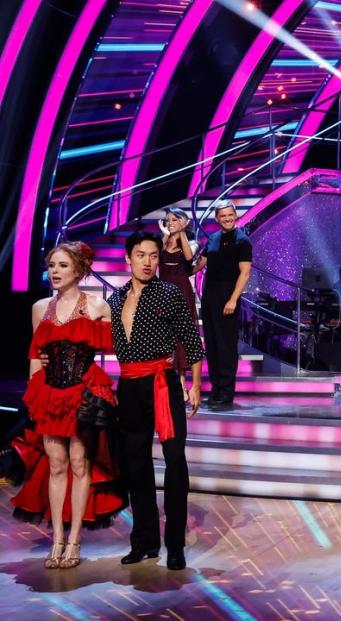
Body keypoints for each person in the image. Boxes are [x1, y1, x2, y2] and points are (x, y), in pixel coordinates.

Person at [12, 242, 126, 569]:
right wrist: (34, 397)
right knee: (57, 463)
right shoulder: (40, 307)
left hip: (83, 391)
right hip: (49, 393)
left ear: (79, 269)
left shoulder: (97, 306)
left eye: (62, 266)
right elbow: (36, 354)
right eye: (51, 266)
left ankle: (75, 539)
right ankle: (57, 539)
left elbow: (121, 342)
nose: (55, 272)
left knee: (79, 462)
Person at [109, 231, 205, 571]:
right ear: (129, 258)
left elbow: (192, 340)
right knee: (135, 465)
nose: (148, 261)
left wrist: (194, 384)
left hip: (163, 384)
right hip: (129, 386)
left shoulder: (170, 293)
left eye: (153, 255)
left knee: (175, 463)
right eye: (141, 255)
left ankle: (174, 545)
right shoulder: (115, 297)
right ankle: (145, 541)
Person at [193, 202, 251, 408]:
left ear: (235, 215)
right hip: (210, 295)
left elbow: (245, 273)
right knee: (213, 344)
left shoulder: (243, 241)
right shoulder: (213, 238)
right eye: (222, 216)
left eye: (230, 215)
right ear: (216, 219)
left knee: (226, 346)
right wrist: (182, 269)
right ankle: (216, 388)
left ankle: (226, 391)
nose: (227, 218)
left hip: (228, 295)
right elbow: (201, 263)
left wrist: (233, 299)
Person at [158, 208, 199, 389]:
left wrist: (181, 232)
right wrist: (165, 235)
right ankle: (166, 379)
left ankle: (182, 382)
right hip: (163, 291)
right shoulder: (164, 242)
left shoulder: (192, 242)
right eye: (168, 220)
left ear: (184, 221)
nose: (170, 222)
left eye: (175, 219)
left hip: (181, 292)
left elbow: (189, 257)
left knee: (181, 336)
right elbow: (155, 256)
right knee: (165, 334)